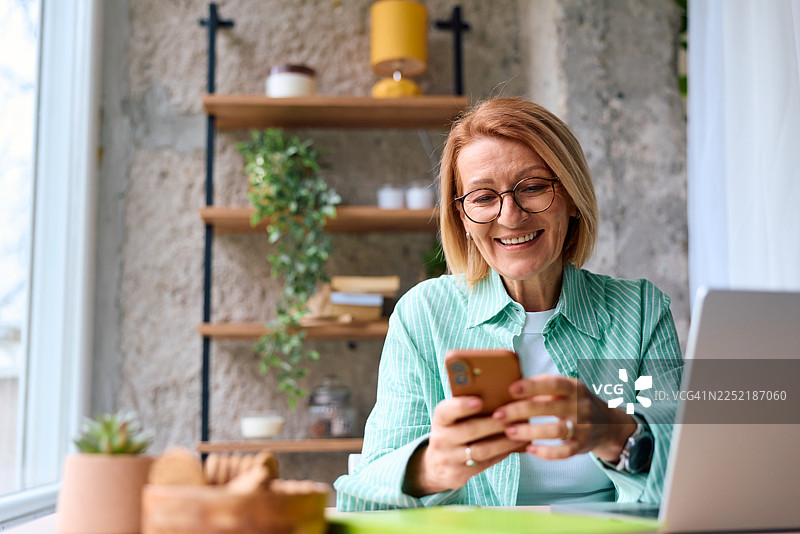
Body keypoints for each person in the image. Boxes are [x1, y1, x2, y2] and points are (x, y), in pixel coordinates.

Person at [334, 97, 683, 510]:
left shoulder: (640, 311)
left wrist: (615, 435)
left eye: (533, 187)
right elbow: (362, 500)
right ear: (462, 217)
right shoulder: (423, 316)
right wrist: (430, 469)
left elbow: (696, 481)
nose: (511, 216)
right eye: (483, 198)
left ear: (572, 197)